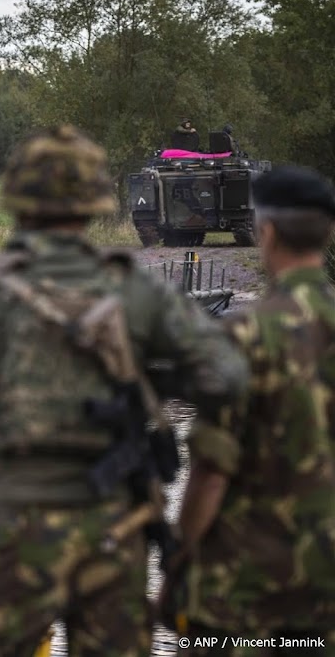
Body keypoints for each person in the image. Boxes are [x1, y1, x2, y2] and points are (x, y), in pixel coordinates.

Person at [0, 125, 248, 657]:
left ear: (18, 202)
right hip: (117, 534)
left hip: (23, 537)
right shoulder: (135, 289)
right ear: (94, 205)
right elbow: (227, 377)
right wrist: (148, 382)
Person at [164, 166, 335, 656]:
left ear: (267, 231)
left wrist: (179, 559)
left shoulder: (244, 336)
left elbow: (212, 474)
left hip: (245, 583)